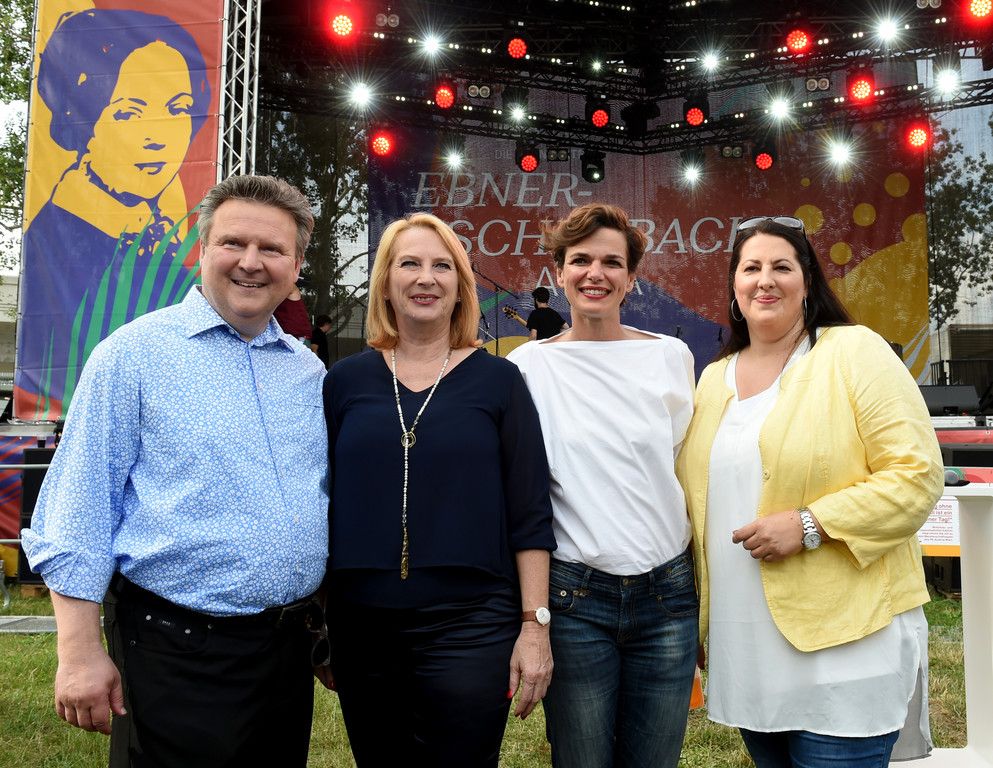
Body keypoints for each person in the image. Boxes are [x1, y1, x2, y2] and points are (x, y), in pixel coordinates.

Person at [21, 175, 328, 768]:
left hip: (285, 654)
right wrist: (78, 652)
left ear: (295, 268)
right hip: (174, 649)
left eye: (272, 249)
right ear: (203, 250)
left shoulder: (306, 373)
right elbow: (78, 507)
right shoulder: (133, 356)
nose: (251, 262)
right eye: (233, 243)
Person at [675, 216, 944, 767]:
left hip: (849, 647)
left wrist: (809, 524)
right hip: (746, 653)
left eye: (782, 266)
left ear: (807, 281)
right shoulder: (712, 378)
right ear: (734, 286)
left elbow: (916, 474)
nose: (765, 280)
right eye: (751, 268)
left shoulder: (853, 351)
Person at [323, 212, 556, 767]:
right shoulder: (344, 382)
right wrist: (321, 619)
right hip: (362, 624)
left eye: (442, 266)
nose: (426, 278)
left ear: (460, 286)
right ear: (386, 282)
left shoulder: (500, 380)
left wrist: (534, 626)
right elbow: (320, 501)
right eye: (409, 263)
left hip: (471, 624)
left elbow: (530, 512)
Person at [507, 203, 699, 768]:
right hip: (575, 601)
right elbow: (523, 493)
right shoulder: (527, 367)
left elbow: (684, 471)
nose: (596, 273)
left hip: (668, 598)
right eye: (581, 260)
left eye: (612, 262)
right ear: (560, 272)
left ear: (631, 278)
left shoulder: (670, 357)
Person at [17, 9, 213, 418]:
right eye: (128, 113)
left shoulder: (161, 235)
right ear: (81, 121)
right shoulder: (58, 245)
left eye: (178, 109)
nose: (158, 137)